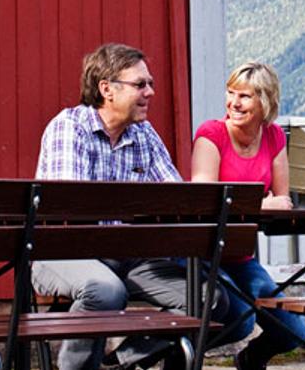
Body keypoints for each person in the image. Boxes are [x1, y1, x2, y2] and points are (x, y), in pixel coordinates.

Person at [33, 42, 229, 370]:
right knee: (104, 290)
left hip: (130, 255)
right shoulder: (70, 127)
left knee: (211, 299)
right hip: (65, 251)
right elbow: (71, 213)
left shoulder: (143, 134)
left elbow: (176, 198)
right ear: (106, 89)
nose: (150, 92)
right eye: (140, 84)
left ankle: (119, 363)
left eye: (150, 84)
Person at [190, 62, 305, 370]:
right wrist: (262, 203)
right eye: (231, 93)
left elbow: (283, 200)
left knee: (294, 331)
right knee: (241, 320)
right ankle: (177, 352)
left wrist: (263, 204)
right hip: (204, 256)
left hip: (242, 259)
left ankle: (250, 360)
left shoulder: (273, 138)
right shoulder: (211, 134)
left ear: (265, 101)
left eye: (244, 96)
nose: (234, 103)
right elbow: (204, 201)